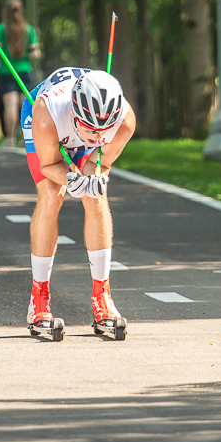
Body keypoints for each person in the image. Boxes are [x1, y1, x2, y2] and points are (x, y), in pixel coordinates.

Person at [21, 67, 136, 334]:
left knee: (95, 196)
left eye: (102, 133)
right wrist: (71, 180)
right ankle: (38, 298)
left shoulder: (124, 122)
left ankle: (103, 297)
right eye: (90, 130)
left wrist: (96, 177)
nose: (97, 137)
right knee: (51, 196)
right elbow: (49, 164)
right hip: (50, 125)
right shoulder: (46, 114)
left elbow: (101, 160)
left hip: (78, 134)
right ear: (75, 112)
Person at [0, 0, 39, 146]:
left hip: (7, 71)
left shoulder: (0, 29)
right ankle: (26, 138)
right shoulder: (29, 29)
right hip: (25, 71)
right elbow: (35, 53)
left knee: (10, 106)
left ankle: (11, 138)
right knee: (24, 105)